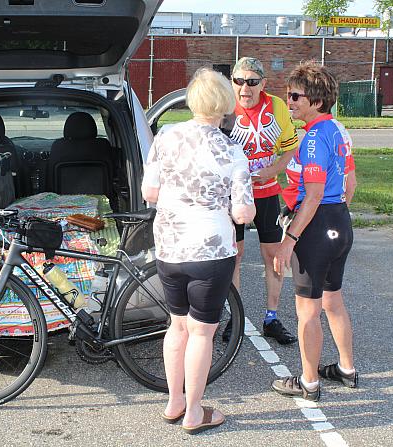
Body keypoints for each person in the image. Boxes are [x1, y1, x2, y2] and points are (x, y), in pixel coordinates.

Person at [141, 67, 255, 434]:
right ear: (224, 104)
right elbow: (241, 212)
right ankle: (193, 412)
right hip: (211, 251)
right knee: (202, 333)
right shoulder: (232, 150)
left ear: (192, 100)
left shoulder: (166, 137)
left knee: (176, 327)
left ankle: (174, 401)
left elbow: (150, 193)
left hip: (170, 249)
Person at [271, 61, 357, 402]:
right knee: (333, 301)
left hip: (318, 224)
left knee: (307, 311)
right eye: (288, 95)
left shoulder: (312, 139)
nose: (289, 102)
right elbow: (350, 183)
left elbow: (315, 193)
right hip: (340, 222)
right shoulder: (337, 129)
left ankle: (308, 382)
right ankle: (346, 369)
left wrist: (288, 241)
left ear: (316, 102)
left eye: (295, 96)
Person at [224, 57, 299, 345]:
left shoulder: (277, 106)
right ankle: (236, 317)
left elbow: (290, 150)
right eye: (239, 81)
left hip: (267, 191)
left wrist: (272, 170)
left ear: (263, 84)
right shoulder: (225, 107)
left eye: (252, 82)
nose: (245, 87)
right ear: (232, 82)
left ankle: (272, 317)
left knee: (273, 257)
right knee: (235, 256)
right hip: (233, 195)